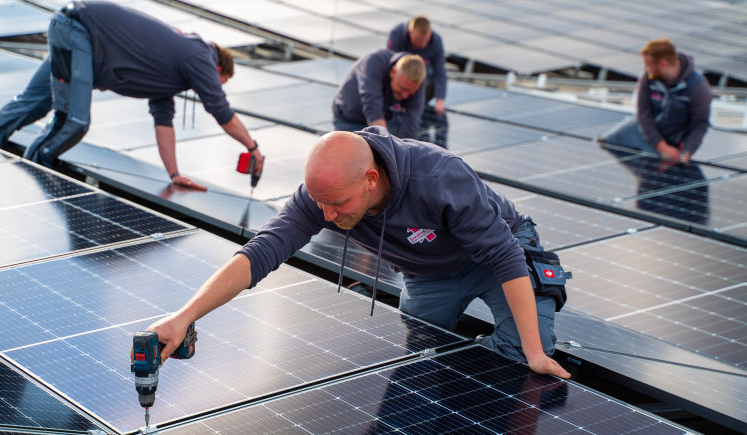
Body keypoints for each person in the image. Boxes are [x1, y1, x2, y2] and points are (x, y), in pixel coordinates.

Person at [148, 127, 571, 379]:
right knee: (426, 351)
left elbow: (504, 257)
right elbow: (261, 253)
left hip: (493, 259)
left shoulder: (438, 175)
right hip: (426, 273)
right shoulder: (322, 196)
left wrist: (535, 354)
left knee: (526, 353)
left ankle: (484, 396)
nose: (328, 216)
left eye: (338, 205)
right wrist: (185, 316)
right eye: (320, 205)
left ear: (370, 179)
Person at [0, 0, 263, 191]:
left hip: (72, 27)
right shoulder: (199, 55)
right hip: (79, 30)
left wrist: (174, 175)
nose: (213, 86)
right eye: (220, 80)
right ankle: (31, 166)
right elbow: (220, 109)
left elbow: (163, 122)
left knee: (34, 103)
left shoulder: (172, 74)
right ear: (217, 68)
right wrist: (252, 148)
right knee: (74, 121)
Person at [598, 38, 713, 163]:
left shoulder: (697, 87)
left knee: (658, 173)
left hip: (670, 143)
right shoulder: (648, 78)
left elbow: (700, 124)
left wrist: (687, 151)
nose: (646, 69)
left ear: (662, 64)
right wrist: (661, 146)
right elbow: (643, 113)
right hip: (644, 131)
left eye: (648, 64)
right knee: (606, 142)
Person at [332, 50, 426, 140]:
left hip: (386, 119)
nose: (405, 96)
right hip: (350, 120)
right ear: (393, 72)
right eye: (403, 88)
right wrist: (385, 146)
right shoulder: (373, 62)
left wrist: (405, 150)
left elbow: (412, 119)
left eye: (411, 92)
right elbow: (372, 106)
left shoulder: (417, 79)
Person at [388, 15, 448, 147]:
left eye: (424, 41)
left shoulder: (436, 41)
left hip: (421, 81)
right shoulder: (397, 35)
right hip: (399, 80)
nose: (421, 45)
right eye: (418, 41)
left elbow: (440, 72)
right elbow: (389, 64)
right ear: (410, 33)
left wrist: (440, 100)